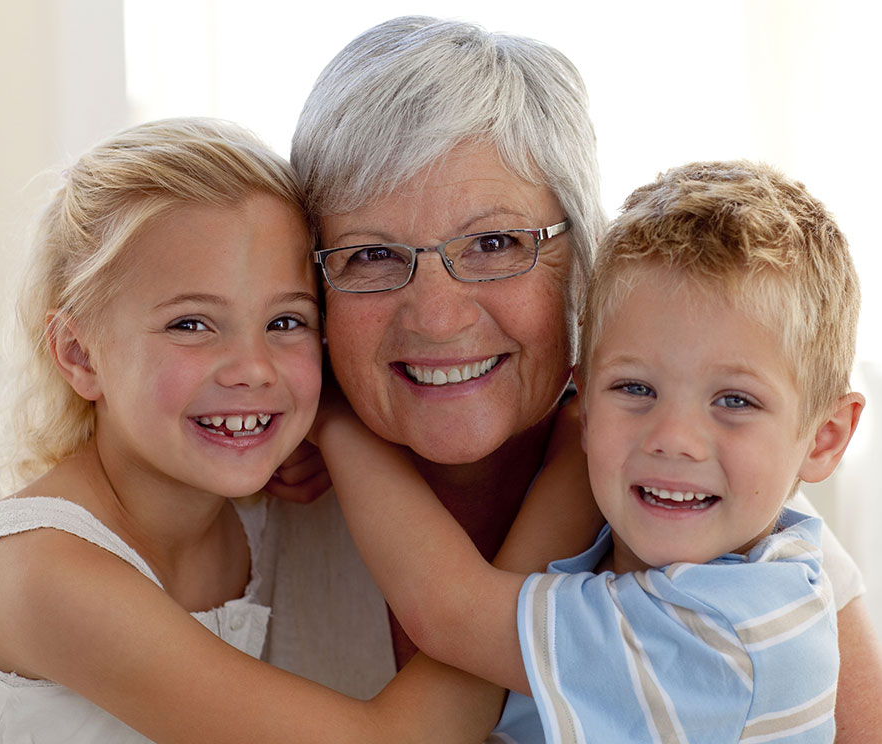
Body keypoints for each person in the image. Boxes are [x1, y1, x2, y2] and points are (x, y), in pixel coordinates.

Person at [264, 15, 882, 739]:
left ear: (583, 264)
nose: (434, 317)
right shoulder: (237, 499)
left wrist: (333, 419)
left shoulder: (738, 538)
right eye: (369, 255)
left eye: (496, 242)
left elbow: (451, 613)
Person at [0, 117, 536, 743]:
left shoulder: (264, 514)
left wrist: (327, 421)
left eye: (285, 322)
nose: (252, 369)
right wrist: (564, 489)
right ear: (79, 355)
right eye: (191, 324)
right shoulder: (38, 570)